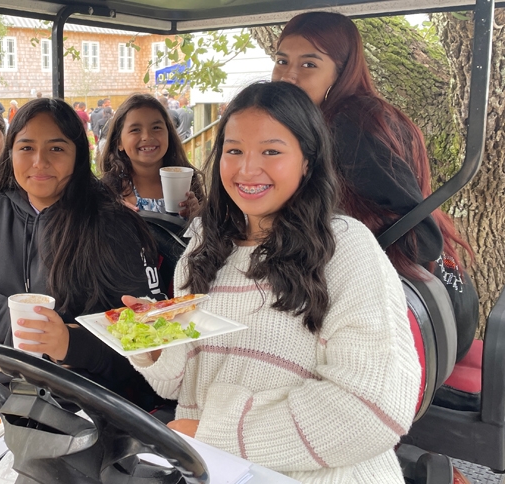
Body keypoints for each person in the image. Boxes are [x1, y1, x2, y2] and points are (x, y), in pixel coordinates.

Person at [130, 81, 420, 483]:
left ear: (308, 160)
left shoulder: (346, 248)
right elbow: (175, 385)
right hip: (212, 468)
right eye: (234, 151)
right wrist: (153, 340)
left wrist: (218, 435)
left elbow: (372, 407)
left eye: (271, 151)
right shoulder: (202, 249)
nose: (248, 169)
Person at [273, 11, 478, 362]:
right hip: (444, 306)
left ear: (341, 71)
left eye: (309, 64)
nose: (288, 75)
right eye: (281, 60)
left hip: (424, 320)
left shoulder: (349, 122)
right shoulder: (346, 114)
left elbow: (421, 239)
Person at [0, 97, 164, 411]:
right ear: (10, 154)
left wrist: (68, 343)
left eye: (56, 148)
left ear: (78, 156)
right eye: (26, 148)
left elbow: (137, 334)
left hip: (78, 398)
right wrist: (23, 331)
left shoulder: (112, 225)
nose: (39, 162)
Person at [99, 93, 204, 218]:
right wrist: (109, 214)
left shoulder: (188, 181)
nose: (147, 137)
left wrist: (199, 215)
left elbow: (211, 231)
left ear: (168, 135)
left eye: (156, 127)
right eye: (135, 130)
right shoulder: (108, 190)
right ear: (119, 142)